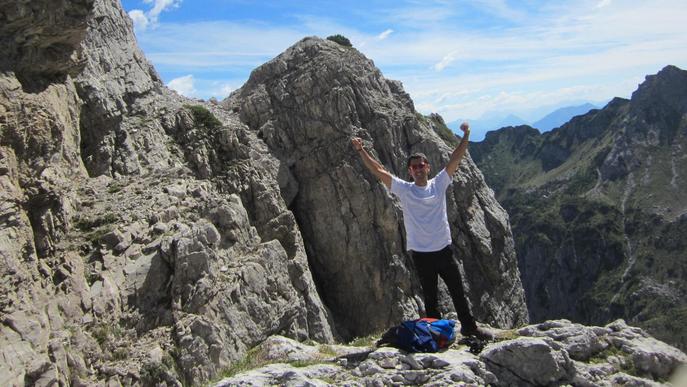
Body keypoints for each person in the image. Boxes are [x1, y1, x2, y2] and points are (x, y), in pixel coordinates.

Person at [351, 122, 491, 339]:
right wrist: (361, 150)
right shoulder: (404, 189)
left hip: (444, 250)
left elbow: (456, 158)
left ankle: (469, 328)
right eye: (414, 167)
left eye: (421, 165)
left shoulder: (439, 183)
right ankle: (436, 336)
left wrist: (466, 135)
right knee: (430, 298)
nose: (418, 169)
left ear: (428, 167)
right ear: (410, 171)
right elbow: (378, 170)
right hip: (421, 254)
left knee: (457, 292)